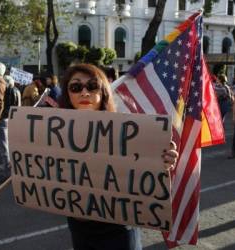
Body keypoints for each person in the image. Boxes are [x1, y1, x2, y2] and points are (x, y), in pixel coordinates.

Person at [59, 63, 179, 250]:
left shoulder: (127, 130)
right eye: (76, 87)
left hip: (119, 229)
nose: (84, 92)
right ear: (67, 94)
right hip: (80, 228)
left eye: (92, 86)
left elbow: (149, 182)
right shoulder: (54, 134)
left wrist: (162, 163)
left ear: (103, 92)